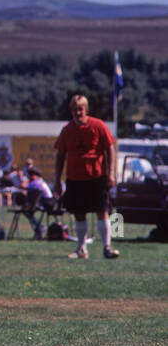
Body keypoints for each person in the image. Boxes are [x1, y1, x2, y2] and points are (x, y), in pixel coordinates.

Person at [54, 94, 117, 260]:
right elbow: (60, 155)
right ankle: (82, 250)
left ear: (86, 109)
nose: (78, 112)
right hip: (75, 178)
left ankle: (107, 247)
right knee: (78, 213)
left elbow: (110, 149)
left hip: (96, 177)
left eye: (80, 109)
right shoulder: (67, 130)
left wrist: (110, 173)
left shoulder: (98, 125)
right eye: (74, 109)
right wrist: (57, 180)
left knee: (101, 211)